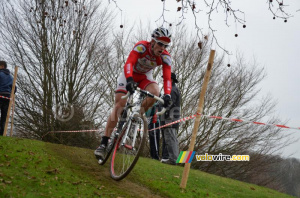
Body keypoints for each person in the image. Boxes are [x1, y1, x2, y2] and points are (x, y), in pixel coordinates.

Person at [94, 27, 173, 160]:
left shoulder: (165, 57)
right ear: (152, 41)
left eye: (165, 45)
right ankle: (103, 143)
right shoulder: (142, 46)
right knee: (120, 105)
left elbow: (167, 77)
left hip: (144, 77)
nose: (162, 48)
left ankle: (136, 117)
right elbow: (129, 62)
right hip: (128, 75)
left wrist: (168, 95)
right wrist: (130, 79)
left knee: (156, 92)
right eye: (160, 43)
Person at [160, 72, 181, 165]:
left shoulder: (172, 90)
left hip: (170, 118)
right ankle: (169, 158)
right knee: (169, 138)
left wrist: (164, 114)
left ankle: (173, 159)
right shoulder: (171, 89)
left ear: (171, 79)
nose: (163, 80)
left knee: (171, 138)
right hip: (170, 117)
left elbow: (169, 105)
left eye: (165, 78)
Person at [0, 61, 14, 136]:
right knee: (4, 115)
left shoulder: (0, 74)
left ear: (2, 66)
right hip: (8, 97)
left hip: (0, 94)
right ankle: (2, 133)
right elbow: (14, 88)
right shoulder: (11, 77)